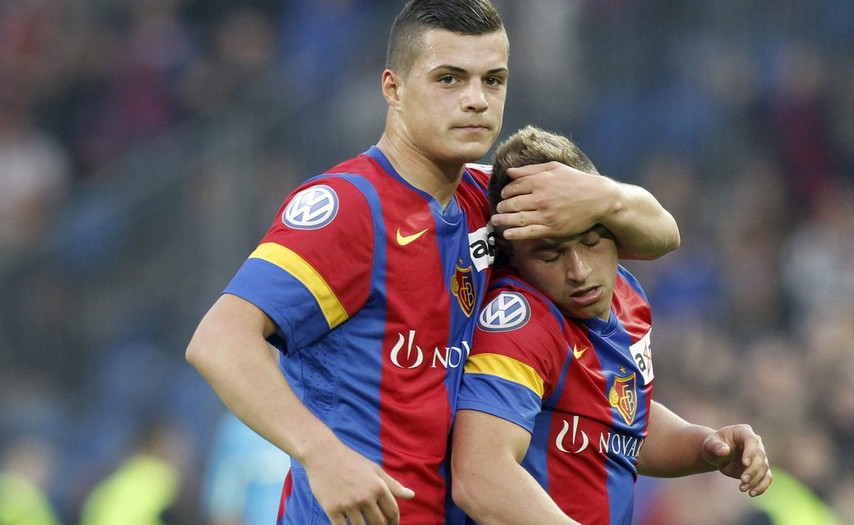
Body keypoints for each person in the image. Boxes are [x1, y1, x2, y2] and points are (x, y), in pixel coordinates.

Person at [185, 2, 680, 524]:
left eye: (493, 80)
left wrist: (606, 199)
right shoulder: (352, 208)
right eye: (449, 79)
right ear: (393, 88)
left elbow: (661, 236)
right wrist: (320, 452)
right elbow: (219, 339)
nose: (476, 100)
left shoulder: (487, 202)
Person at [451, 125, 773, 525]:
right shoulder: (519, 323)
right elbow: (480, 478)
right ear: (513, 258)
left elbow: (618, 420)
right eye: (550, 255)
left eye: (591, 242)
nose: (579, 272)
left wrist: (704, 444)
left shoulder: (626, 298)